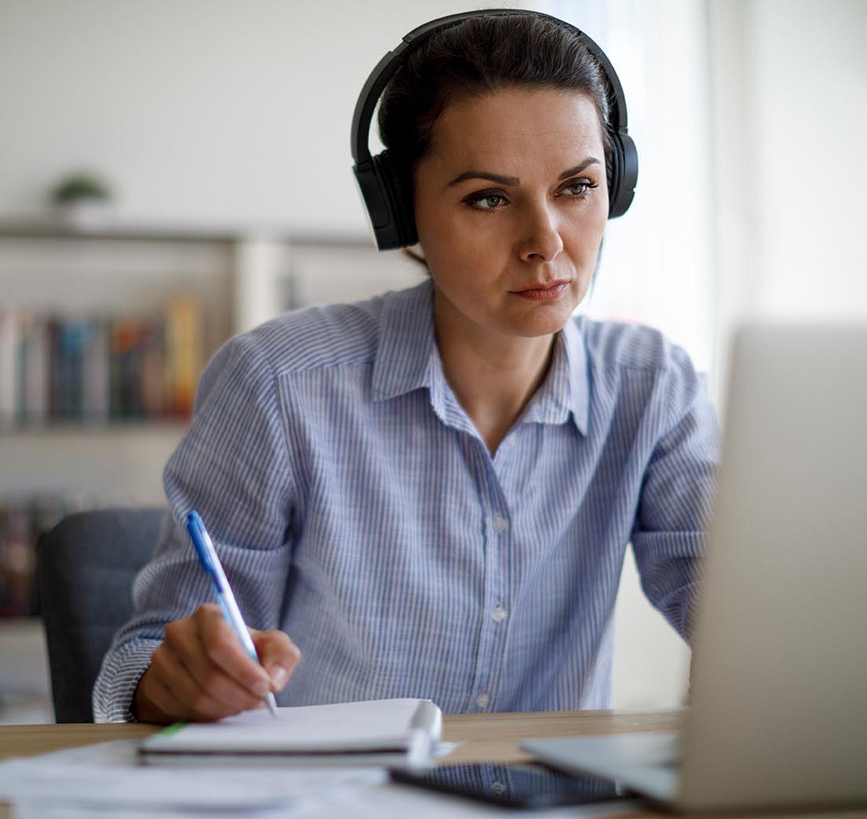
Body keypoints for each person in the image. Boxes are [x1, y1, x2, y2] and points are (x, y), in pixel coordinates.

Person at [94, 10, 719, 724]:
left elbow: (739, 608)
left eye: (577, 188)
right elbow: (149, 656)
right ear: (400, 212)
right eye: (489, 198)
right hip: (330, 818)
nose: (546, 243)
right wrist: (176, 679)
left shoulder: (655, 390)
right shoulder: (279, 385)